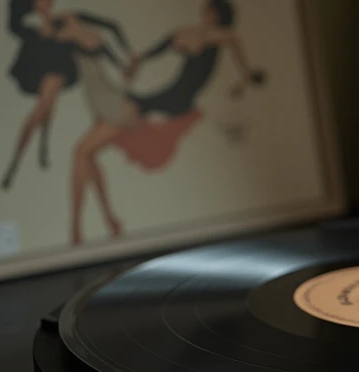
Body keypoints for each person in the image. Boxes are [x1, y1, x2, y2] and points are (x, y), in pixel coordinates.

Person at [68, 0, 264, 245]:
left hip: (174, 101)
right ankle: (104, 221)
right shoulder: (186, 33)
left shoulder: (218, 36)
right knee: (86, 152)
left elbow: (236, 47)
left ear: (216, 14)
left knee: (84, 150)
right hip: (165, 96)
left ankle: (86, 227)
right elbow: (156, 50)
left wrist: (245, 78)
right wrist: (136, 64)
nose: (205, 13)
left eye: (210, 10)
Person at [2, 0, 133, 191]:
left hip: (58, 67)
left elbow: (104, 34)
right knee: (44, 105)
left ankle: (30, 153)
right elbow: (20, 29)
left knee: (45, 103)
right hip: (37, 65)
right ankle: (24, 157)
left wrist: (123, 59)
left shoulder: (68, 17)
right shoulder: (28, 24)